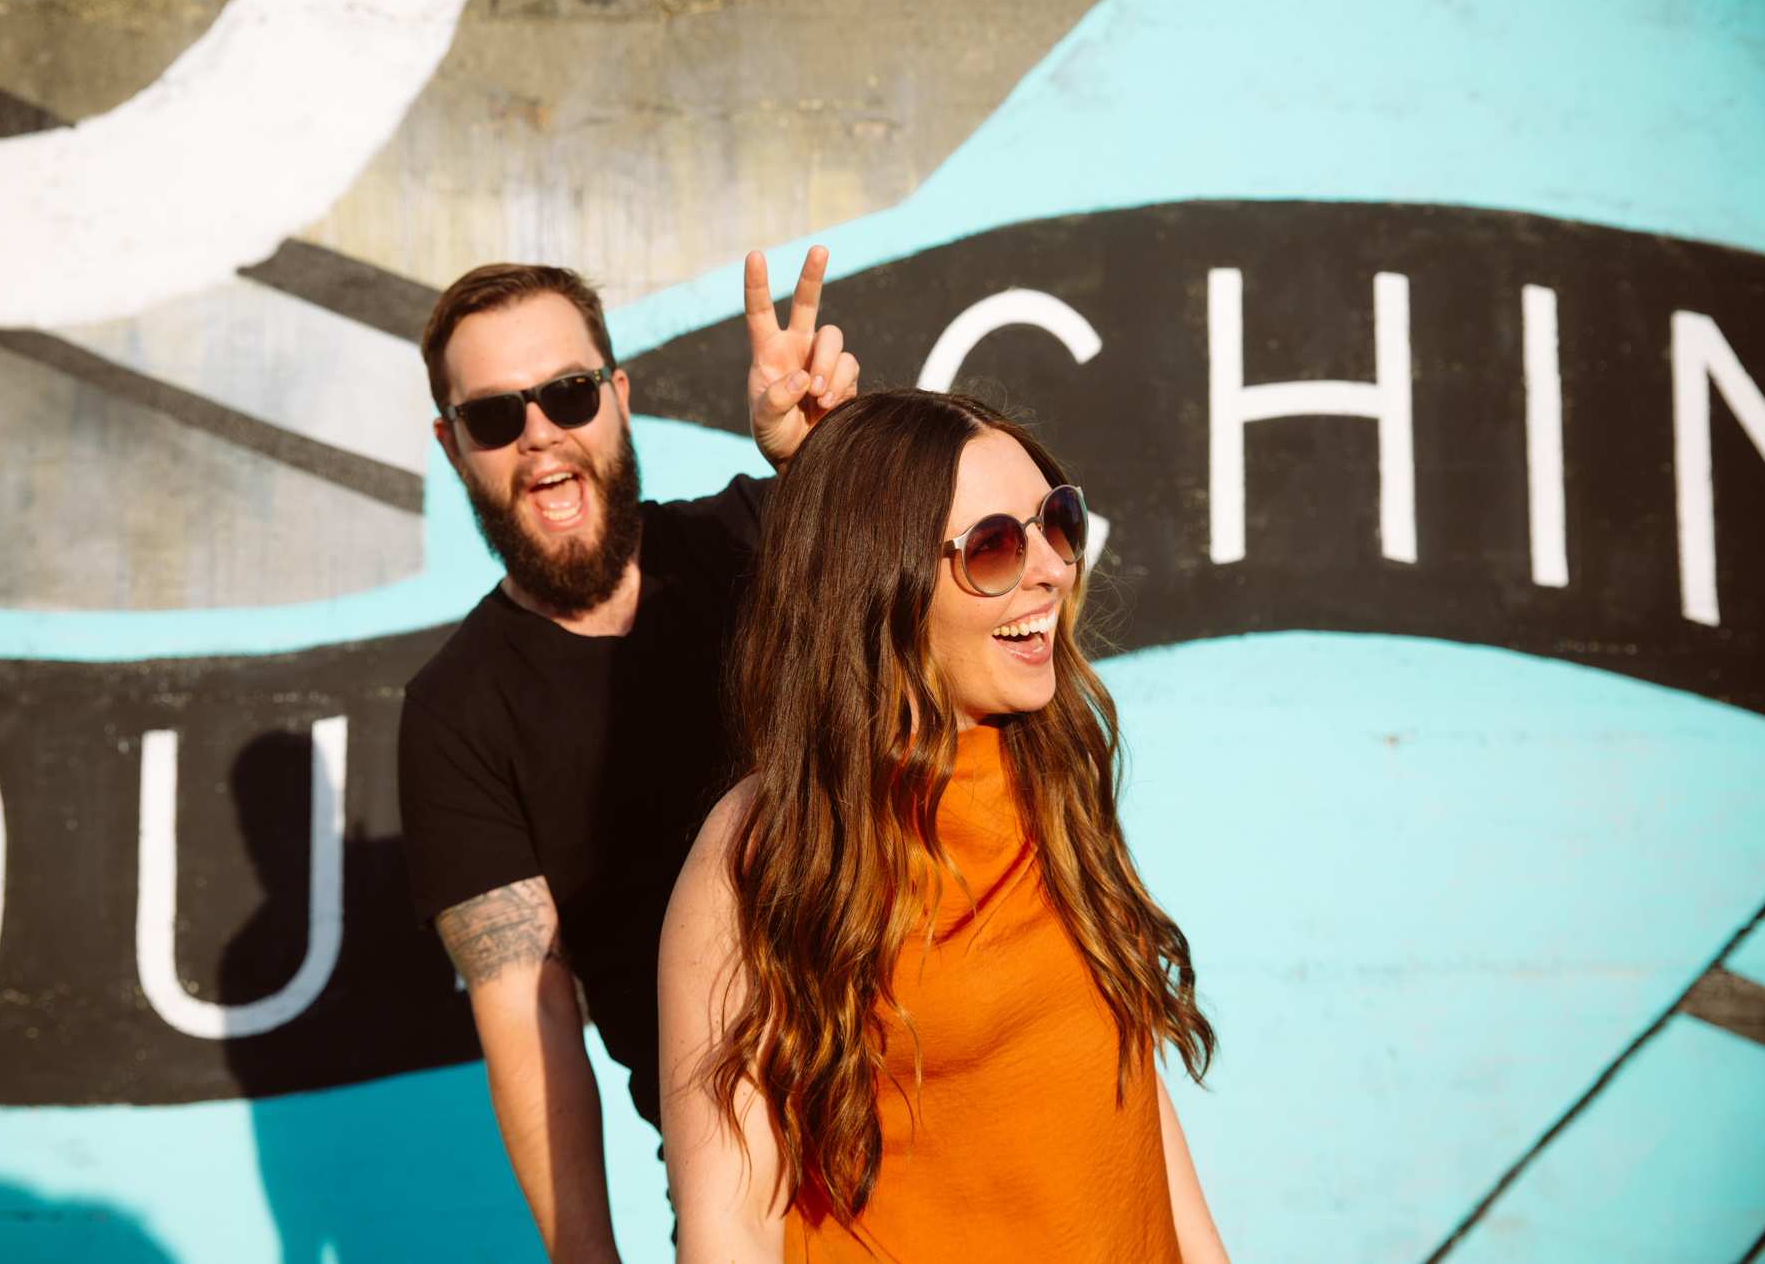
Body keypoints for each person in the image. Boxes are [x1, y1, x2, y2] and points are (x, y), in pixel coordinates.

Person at [659, 389, 1229, 1263]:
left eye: (1057, 521)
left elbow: (1126, 1093)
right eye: (996, 545)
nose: (1051, 566)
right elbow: (728, 1227)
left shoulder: (1052, 767)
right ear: (879, 582)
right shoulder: (762, 849)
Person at [396, 248, 859, 1264]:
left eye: (566, 394)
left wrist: (823, 468)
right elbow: (529, 1007)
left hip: (952, 1091)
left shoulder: (766, 534)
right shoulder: (454, 714)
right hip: (747, 1188)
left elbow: (935, 607)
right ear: (450, 444)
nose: (538, 438)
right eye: (492, 417)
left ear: (617, 394)